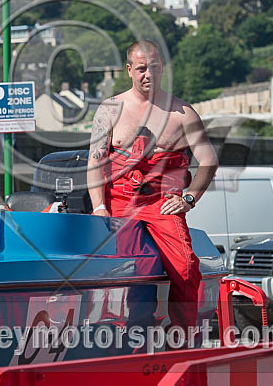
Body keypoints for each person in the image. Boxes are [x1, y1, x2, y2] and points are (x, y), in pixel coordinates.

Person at [87, 40, 219, 337]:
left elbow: (209, 161)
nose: (149, 74)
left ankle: (183, 337)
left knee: (185, 267)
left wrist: (189, 198)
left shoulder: (182, 113)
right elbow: (95, 164)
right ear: (130, 70)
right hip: (119, 204)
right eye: (142, 68)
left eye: (155, 67)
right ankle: (130, 335)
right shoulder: (110, 110)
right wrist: (99, 208)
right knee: (128, 272)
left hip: (163, 202)